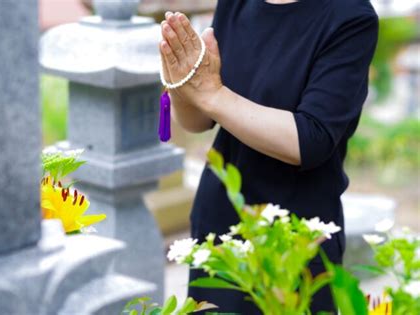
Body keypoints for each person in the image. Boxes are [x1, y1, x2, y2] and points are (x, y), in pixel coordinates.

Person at [159, 0, 379, 313]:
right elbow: (198, 121)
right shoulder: (237, 4)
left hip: (297, 238)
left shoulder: (350, 16)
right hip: (221, 222)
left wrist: (211, 94)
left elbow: (311, 139)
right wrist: (182, 80)